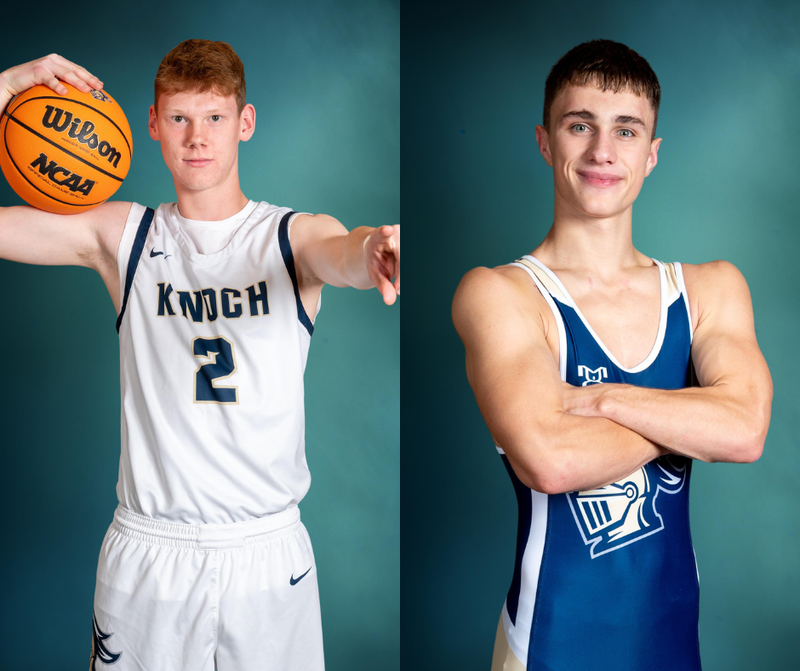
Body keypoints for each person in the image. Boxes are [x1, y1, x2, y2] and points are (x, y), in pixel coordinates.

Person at [0, 41, 399, 670]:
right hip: (150, 553)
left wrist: (373, 248)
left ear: (245, 122)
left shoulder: (289, 236)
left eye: (215, 117)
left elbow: (342, 250)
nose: (197, 138)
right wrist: (7, 87)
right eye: (179, 118)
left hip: (265, 552)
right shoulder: (123, 237)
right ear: (153, 124)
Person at [452, 39, 771, 671]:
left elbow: (745, 431)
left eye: (626, 131)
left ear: (651, 154)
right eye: (580, 126)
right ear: (545, 142)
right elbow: (551, 461)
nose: (602, 151)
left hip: (672, 645)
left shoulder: (709, 289)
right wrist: (693, 418)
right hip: (546, 647)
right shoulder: (501, 294)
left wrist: (599, 399)